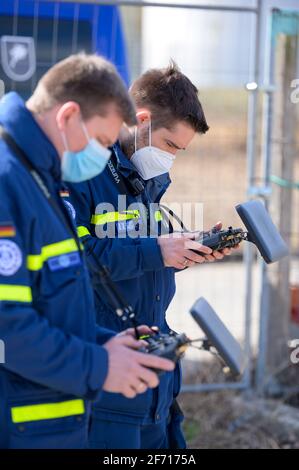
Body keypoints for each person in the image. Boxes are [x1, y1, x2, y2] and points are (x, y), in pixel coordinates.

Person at [0, 53, 174, 449]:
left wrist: (101, 342)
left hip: (51, 424)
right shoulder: (8, 182)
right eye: (100, 141)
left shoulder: (40, 179)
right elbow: (6, 330)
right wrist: (100, 365)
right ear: (68, 116)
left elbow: (47, 303)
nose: (100, 156)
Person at [66, 61, 235, 450]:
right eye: (170, 145)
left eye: (181, 151)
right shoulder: (81, 172)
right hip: (108, 378)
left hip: (154, 381)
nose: (172, 158)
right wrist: (158, 250)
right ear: (139, 120)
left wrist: (186, 246)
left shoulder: (144, 177)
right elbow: (77, 259)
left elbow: (141, 252)